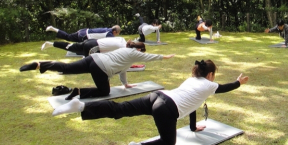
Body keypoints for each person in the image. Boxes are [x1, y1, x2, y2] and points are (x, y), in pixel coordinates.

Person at [51, 59, 249, 145]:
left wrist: (192, 127)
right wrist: (238, 83)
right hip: (166, 108)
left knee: (120, 109)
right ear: (211, 74)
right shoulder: (209, 85)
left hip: (157, 96)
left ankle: (82, 106)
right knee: (168, 143)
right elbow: (225, 88)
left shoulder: (193, 80)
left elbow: (193, 103)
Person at [20, 41, 175, 100]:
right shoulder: (134, 53)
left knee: (67, 68)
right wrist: (165, 57)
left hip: (93, 59)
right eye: (142, 50)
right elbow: (150, 57)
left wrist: (125, 84)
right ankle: (78, 92)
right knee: (104, 91)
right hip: (100, 68)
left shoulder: (124, 52)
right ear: (139, 49)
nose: (142, 52)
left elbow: (122, 70)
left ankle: (40, 64)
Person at [41, 37, 128, 57]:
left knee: (71, 47)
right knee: (88, 64)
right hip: (93, 46)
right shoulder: (123, 48)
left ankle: (51, 44)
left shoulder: (122, 39)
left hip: (92, 41)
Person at [45, 25, 121, 43]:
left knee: (68, 37)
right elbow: (114, 42)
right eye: (117, 34)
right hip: (85, 36)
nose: (116, 35)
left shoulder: (107, 29)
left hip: (83, 31)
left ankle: (53, 29)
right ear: (115, 31)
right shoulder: (109, 34)